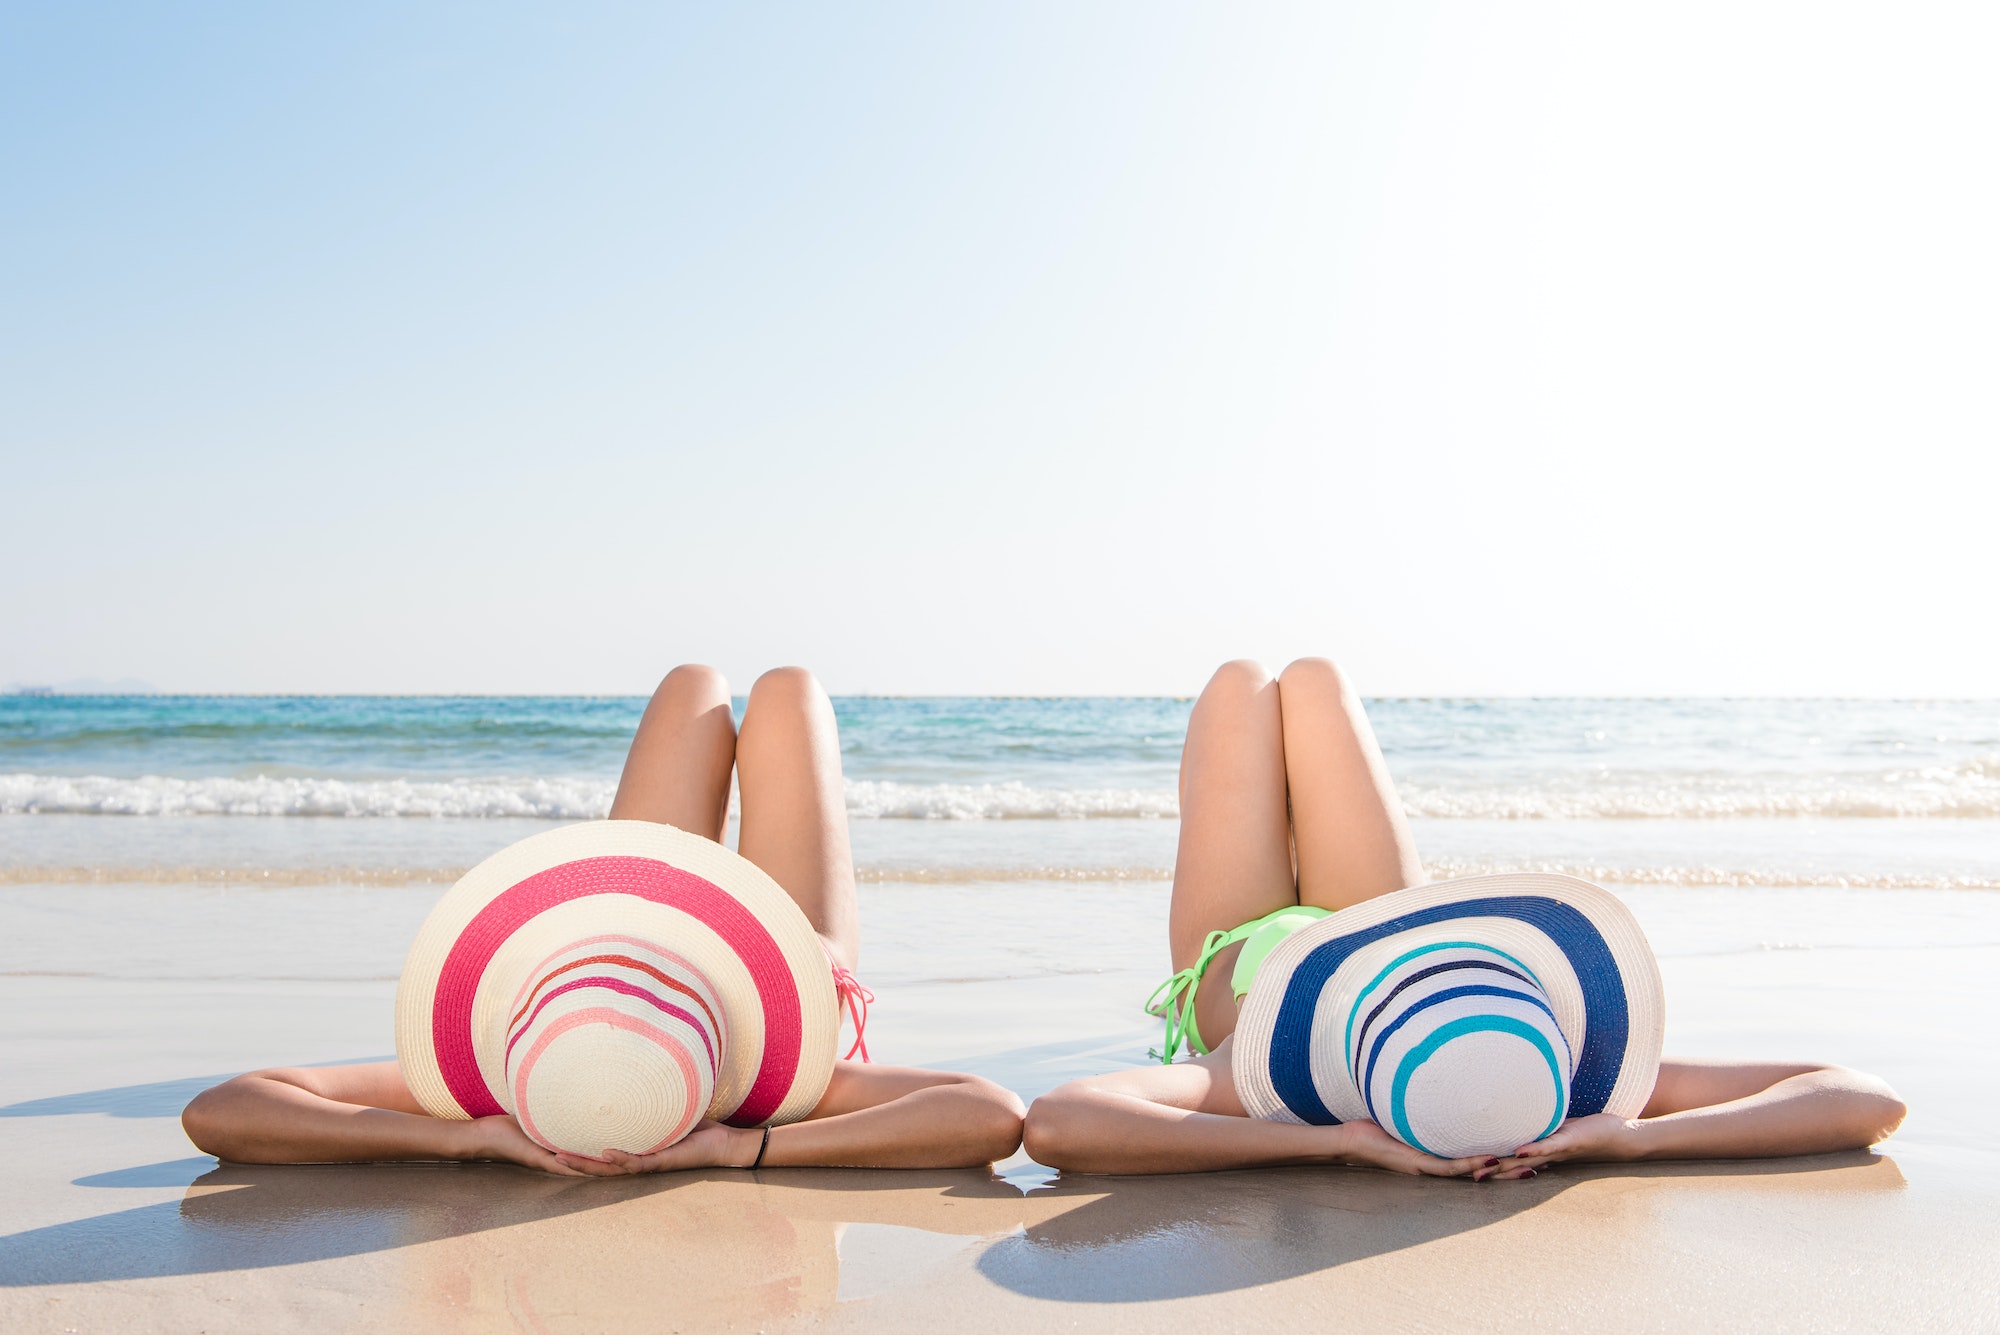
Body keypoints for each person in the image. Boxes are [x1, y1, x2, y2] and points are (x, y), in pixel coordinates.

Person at [1022, 658, 1908, 1178]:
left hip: (1243, 969)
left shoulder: (1270, 1083)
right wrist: (1625, 1139)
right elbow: (1863, 1095)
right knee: (1316, 680)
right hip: (1391, 925)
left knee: (1242, 686)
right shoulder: (1563, 1070)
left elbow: (1062, 1121)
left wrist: (1335, 1146)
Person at [183, 666, 1025, 1176]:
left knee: (695, 684)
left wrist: (468, 1140)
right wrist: (742, 1151)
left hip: (595, 955)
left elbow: (223, 1110)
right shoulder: (766, 1095)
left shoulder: (510, 1083)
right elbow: (990, 1113)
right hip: (781, 978)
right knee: (787, 691)